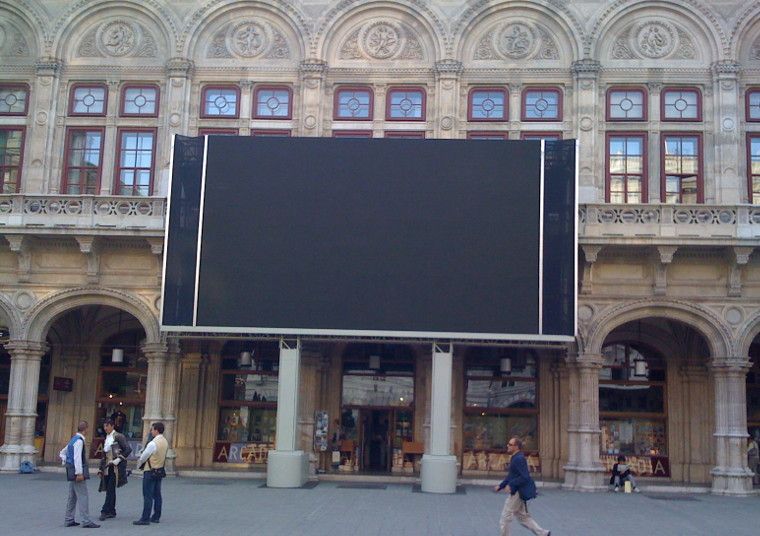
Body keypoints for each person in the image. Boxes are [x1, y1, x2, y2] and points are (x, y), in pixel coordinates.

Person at [493, 437, 550, 536]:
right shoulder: (515, 457)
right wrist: (501, 486)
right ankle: (543, 533)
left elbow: (525, 477)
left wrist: (511, 484)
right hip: (518, 491)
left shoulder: (519, 458)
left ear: (516, 447)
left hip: (518, 492)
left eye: (510, 444)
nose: (507, 446)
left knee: (505, 517)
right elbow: (511, 475)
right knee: (523, 517)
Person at [59, 420, 100, 528]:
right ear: (85, 429)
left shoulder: (73, 439)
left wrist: (66, 461)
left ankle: (69, 519)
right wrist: (79, 473)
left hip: (71, 471)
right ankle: (86, 520)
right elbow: (77, 458)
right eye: (87, 429)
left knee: (72, 496)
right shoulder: (79, 441)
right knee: (83, 496)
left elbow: (63, 452)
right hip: (77, 472)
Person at [133, 422, 168, 525]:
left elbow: (144, 456)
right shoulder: (165, 442)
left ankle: (145, 518)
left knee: (147, 495)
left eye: (152, 429)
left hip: (150, 470)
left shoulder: (153, 443)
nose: (151, 431)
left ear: (156, 430)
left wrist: (140, 460)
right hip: (159, 470)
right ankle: (156, 516)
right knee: (157, 494)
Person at [98, 418, 132, 521]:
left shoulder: (118, 436)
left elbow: (128, 449)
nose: (105, 428)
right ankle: (112, 511)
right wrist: (100, 468)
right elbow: (104, 455)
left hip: (115, 467)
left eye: (107, 426)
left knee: (110, 489)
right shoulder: (107, 437)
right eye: (104, 426)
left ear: (112, 426)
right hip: (107, 467)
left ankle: (104, 511)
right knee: (109, 488)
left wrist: (118, 459)